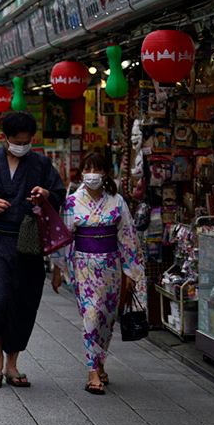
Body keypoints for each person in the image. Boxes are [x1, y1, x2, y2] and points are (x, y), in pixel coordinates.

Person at [0, 112, 65, 388]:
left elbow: (59, 194)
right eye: (17, 141)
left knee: (25, 301)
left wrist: (45, 195)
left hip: (29, 243)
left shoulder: (41, 164)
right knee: (0, 297)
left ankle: (12, 362)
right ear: (4, 138)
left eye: (27, 141)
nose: (22, 145)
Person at [50, 154, 144, 395]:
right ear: (81, 173)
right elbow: (63, 239)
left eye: (97, 169)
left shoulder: (117, 201)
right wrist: (58, 269)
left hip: (111, 266)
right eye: (87, 169)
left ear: (105, 174)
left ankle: (100, 359)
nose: (92, 173)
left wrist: (131, 271)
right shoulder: (72, 202)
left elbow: (128, 236)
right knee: (91, 315)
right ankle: (92, 371)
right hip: (84, 267)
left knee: (107, 317)